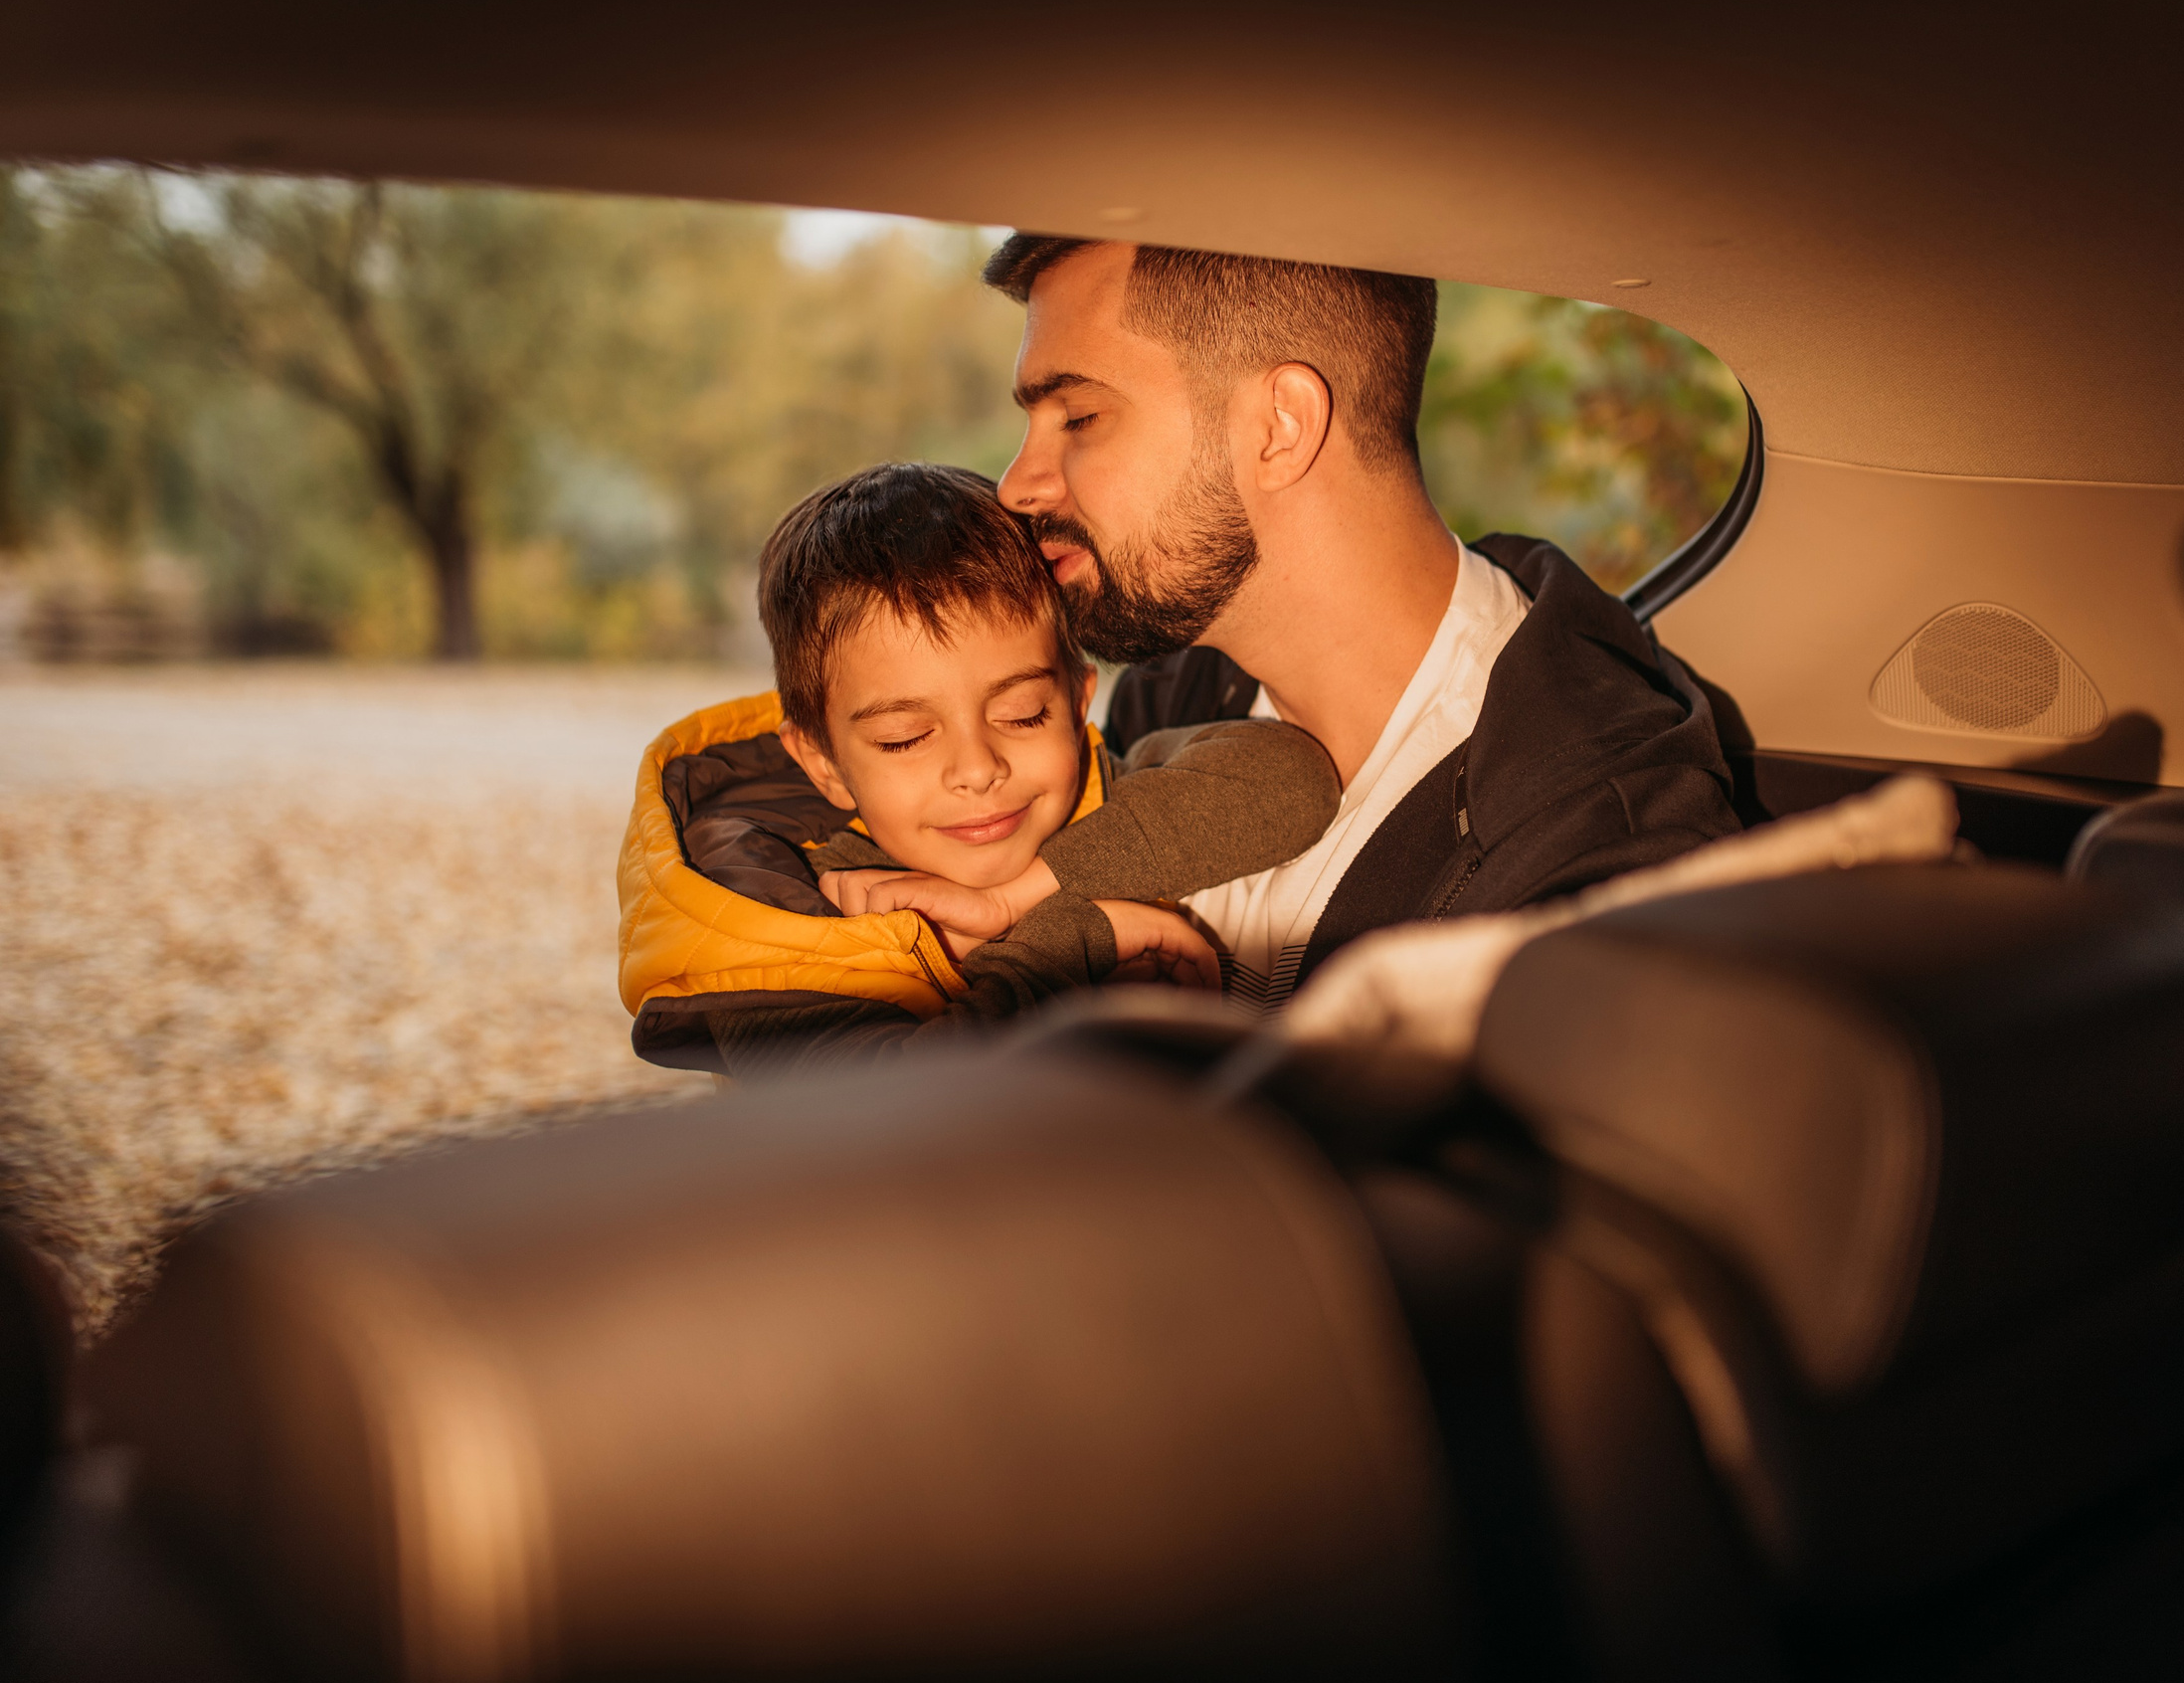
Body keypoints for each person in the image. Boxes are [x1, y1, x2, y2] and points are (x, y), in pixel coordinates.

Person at [981, 238, 1741, 1011]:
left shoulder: (1589, 864)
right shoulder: (1176, 699)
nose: (1016, 484)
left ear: (1282, 424)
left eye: (1079, 416)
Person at [618, 463, 1341, 1076]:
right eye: (905, 738)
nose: (977, 768)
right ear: (824, 762)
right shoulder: (786, 927)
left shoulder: (1108, 790)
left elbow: (1293, 777)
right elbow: (901, 1115)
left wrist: (1017, 901)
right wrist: (1078, 938)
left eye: (1023, 713)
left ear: (1076, 700)